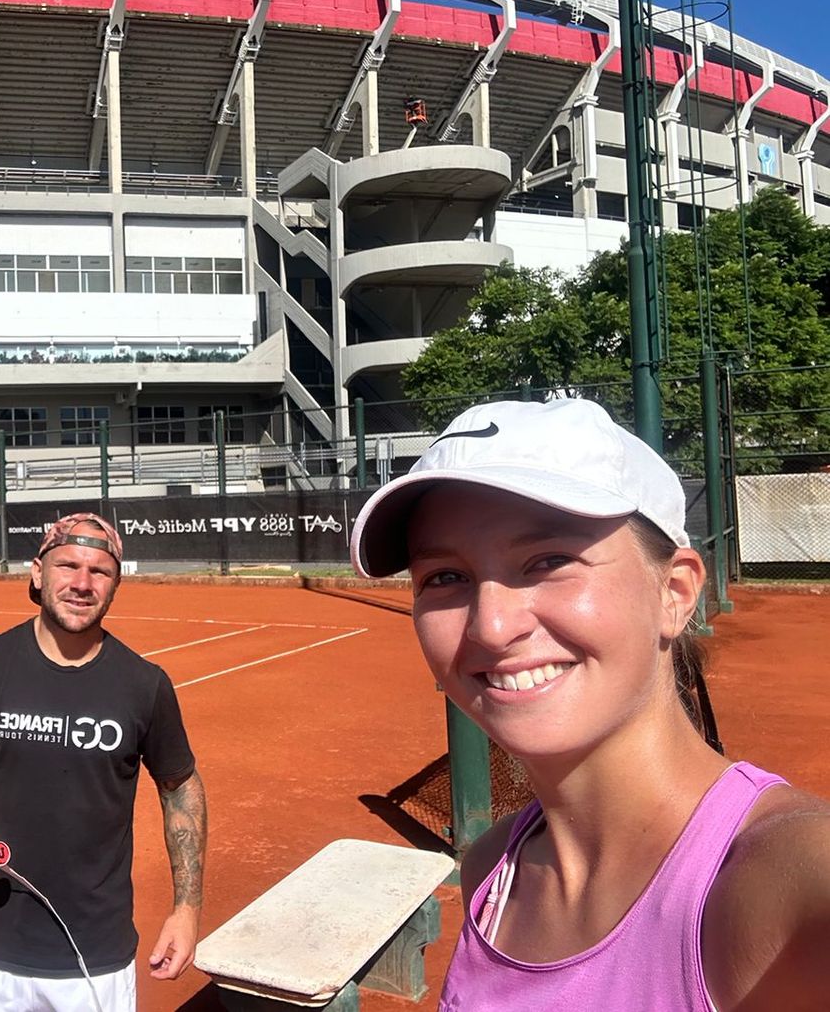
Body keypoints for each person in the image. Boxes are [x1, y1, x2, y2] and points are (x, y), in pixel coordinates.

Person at [351, 397, 830, 1011]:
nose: (491, 627)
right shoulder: (494, 870)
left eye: (549, 561)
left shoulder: (787, 883)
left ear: (676, 593)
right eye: (445, 577)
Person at [0, 512, 206, 1012]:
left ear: (116, 585)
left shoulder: (144, 685)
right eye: (68, 565)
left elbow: (181, 787)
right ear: (37, 572)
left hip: (95, 962)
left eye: (100, 571)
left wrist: (187, 909)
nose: (82, 583)